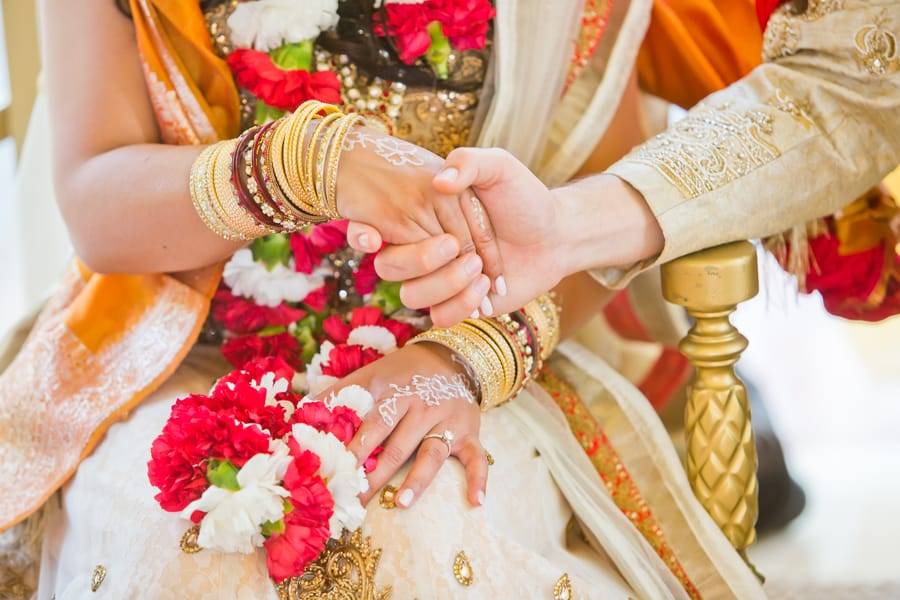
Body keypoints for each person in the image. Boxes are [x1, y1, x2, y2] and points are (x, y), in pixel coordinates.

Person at [0, 1, 896, 599]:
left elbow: (585, 207)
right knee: (198, 550)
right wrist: (313, 161)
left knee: (406, 538)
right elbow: (97, 201)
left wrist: (463, 360)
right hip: (184, 358)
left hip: (483, 365)